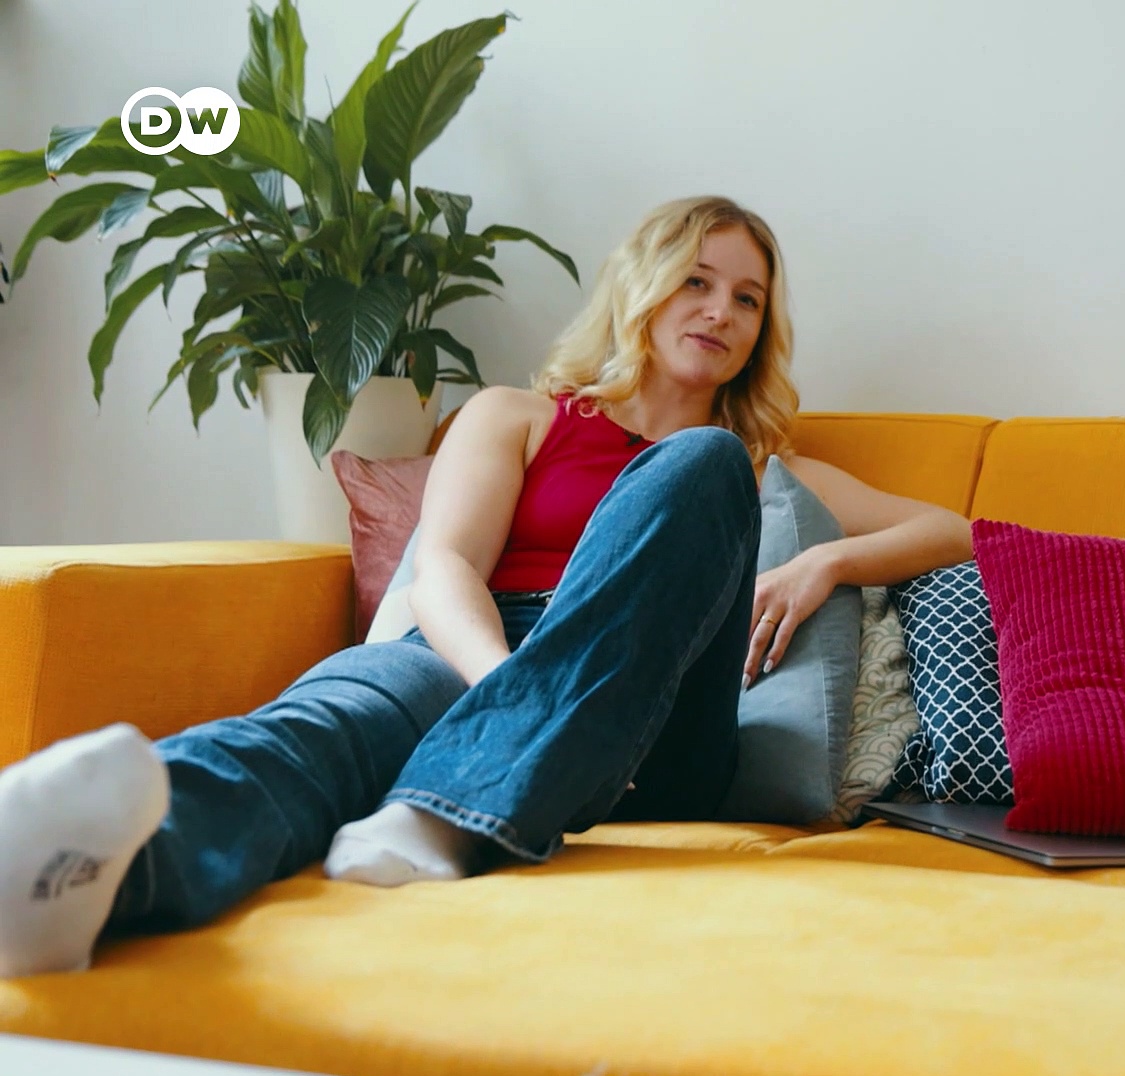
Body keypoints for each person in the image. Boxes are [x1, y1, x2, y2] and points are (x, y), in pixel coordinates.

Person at [0, 195, 972, 981]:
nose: (721, 311)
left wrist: (822, 561)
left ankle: (445, 812)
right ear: (641, 287)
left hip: (649, 713)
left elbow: (956, 531)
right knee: (324, 728)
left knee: (699, 461)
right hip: (474, 651)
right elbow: (445, 570)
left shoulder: (753, 466)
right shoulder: (519, 415)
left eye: (748, 299)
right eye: (696, 280)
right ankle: (84, 876)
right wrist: (507, 687)